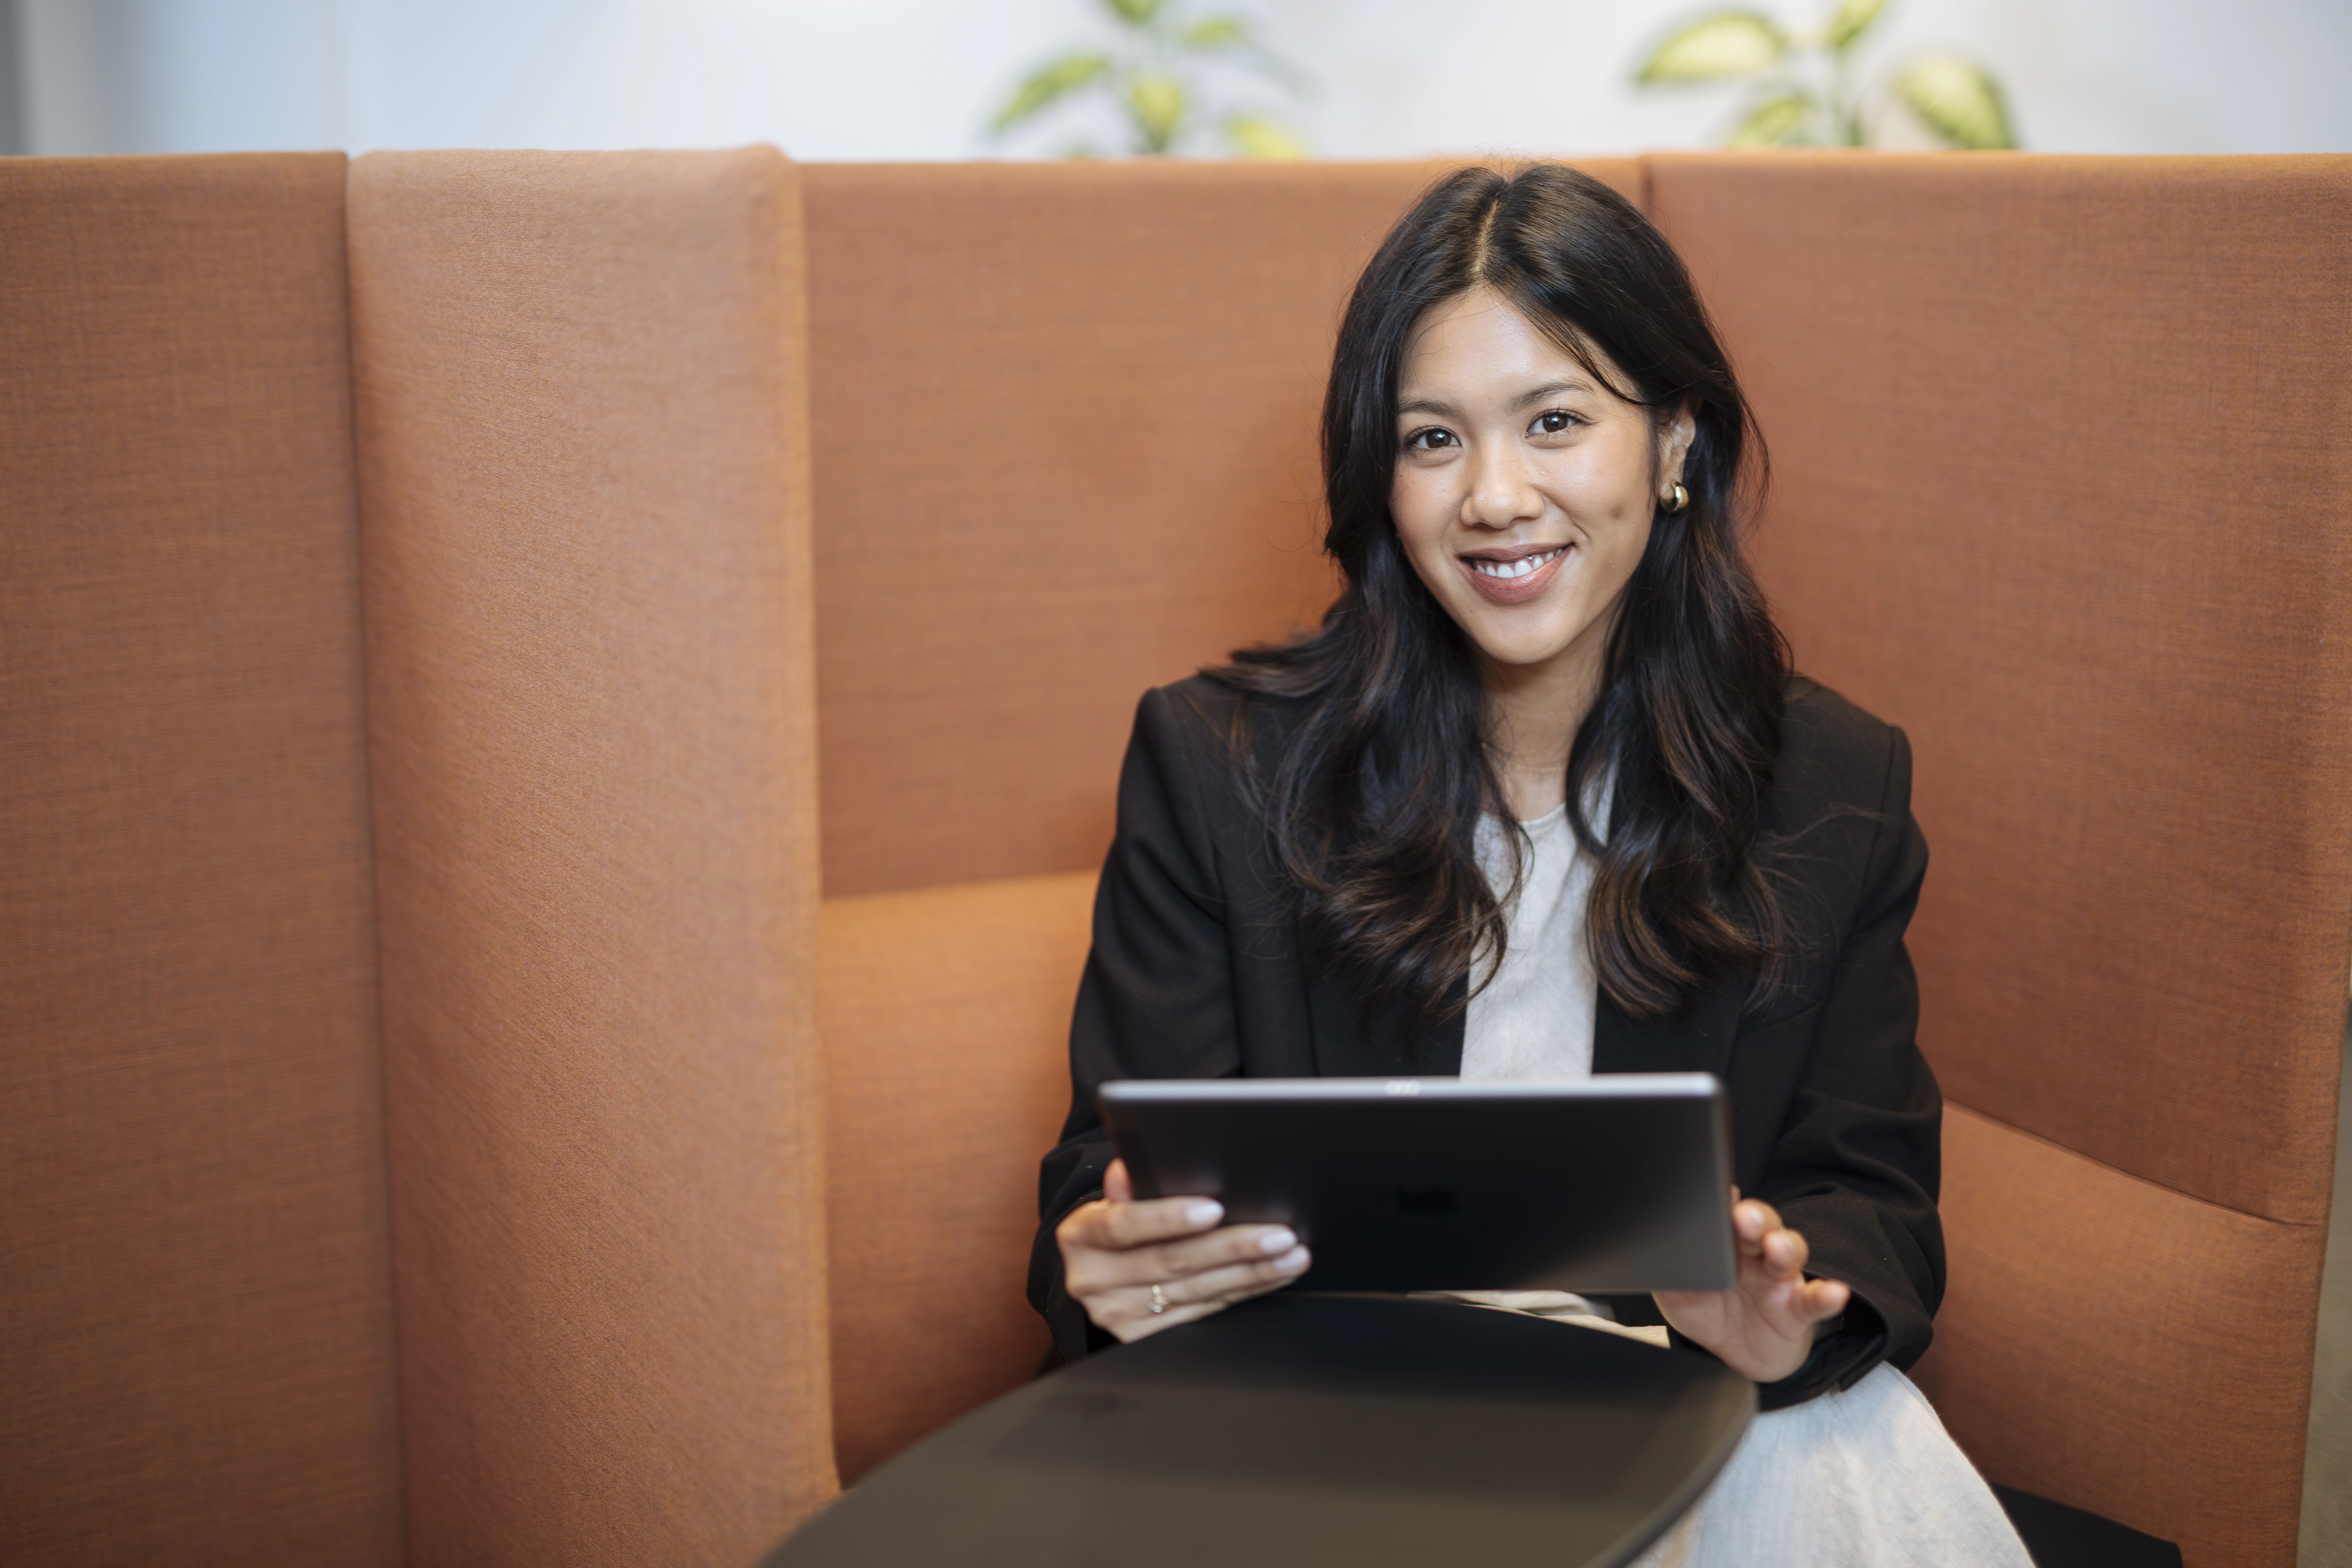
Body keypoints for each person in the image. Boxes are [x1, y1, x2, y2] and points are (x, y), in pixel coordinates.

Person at [1025, 164, 2030, 1566]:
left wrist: (1780, 1302)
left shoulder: (1832, 785)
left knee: (1815, 1454)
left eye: (1554, 422)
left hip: (1673, 1397)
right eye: (1431, 440)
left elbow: (1868, 1189)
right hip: (1316, 1407)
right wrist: (1114, 1265)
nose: (1493, 497)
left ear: (1674, 441)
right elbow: (1104, 1169)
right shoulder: (1217, 766)